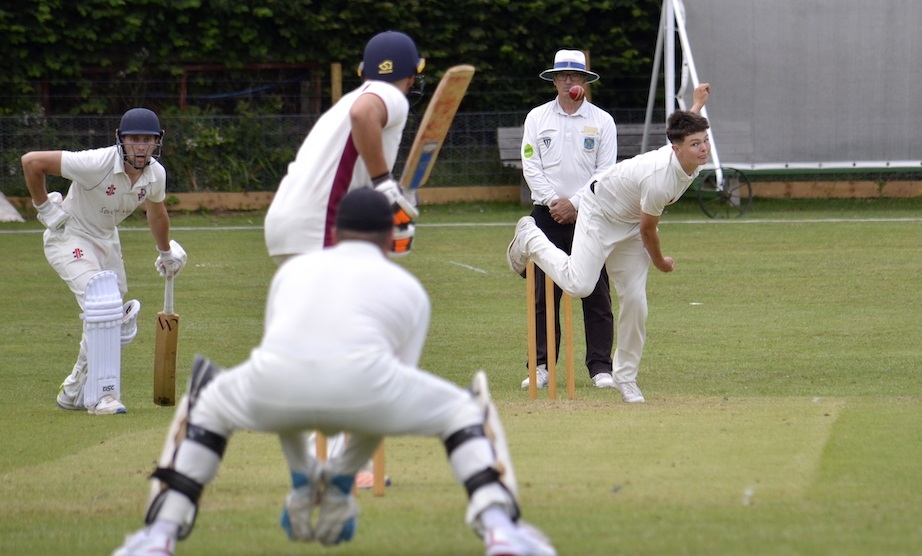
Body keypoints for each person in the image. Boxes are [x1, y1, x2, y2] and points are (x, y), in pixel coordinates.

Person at [110, 188, 557, 556]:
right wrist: (340, 482)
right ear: (391, 237)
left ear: (335, 233)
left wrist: (305, 480)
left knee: (207, 400)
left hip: (271, 389)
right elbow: (380, 401)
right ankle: (500, 531)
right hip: (364, 388)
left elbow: (284, 374)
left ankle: (159, 535)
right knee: (465, 409)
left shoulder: (294, 270)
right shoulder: (409, 289)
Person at [507, 83, 713, 404]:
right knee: (580, 285)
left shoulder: (685, 150)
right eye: (696, 144)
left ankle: (625, 377)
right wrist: (661, 262)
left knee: (636, 302)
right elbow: (649, 231)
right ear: (677, 149)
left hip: (629, 222)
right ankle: (531, 237)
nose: (704, 149)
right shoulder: (660, 179)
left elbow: (688, 128)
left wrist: (697, 103)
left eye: (705, 142)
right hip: (600, 210)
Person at [22, 107, 186, 415]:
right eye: (134, 139)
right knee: (105, 308)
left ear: (158, 141)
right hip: (69, 236)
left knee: (112, 320)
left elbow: (157, 212)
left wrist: (165, 253)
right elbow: (31, 162)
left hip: (107, 240)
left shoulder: (155, 174)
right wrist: (44, 208)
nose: (141, 147)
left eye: (148, 140)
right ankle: (102, 397)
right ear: (120, 140)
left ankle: (72, 391)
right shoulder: (95, 162)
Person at [264, 30, 423, 264]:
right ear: (411, 76)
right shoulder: (389, 94)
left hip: (288, 223)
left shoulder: (347, 102)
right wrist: (384, 184)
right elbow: (363, 113)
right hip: (322, 225)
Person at [519, 49, 618, 390]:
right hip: (546, 216)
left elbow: (605, 172)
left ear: (585, 81)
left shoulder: (602, 120)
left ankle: (601, 367)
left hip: (589, 215)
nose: (569, 81)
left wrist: (576, 203)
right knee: (542, 295)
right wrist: (553, 202)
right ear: (555, 79)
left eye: (576, 76)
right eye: (563, 75)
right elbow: (531, 166)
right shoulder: (537, 118)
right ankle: (541, 366)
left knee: (595, 290)